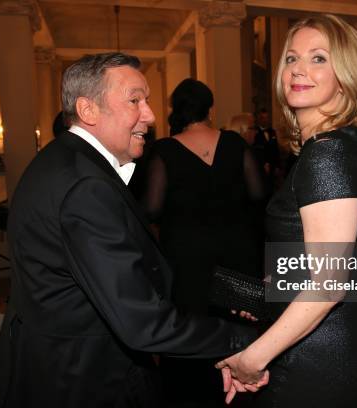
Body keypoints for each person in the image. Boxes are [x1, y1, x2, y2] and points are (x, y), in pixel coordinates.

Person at [0, 53, 262, 408]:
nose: (150, 115)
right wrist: (243, 341)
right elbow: (142, 321)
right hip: (84, 380)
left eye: (146, 101)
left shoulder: (64, 161)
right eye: (135, 101)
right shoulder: (85, 185)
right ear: (88, 110)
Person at [216, 14, 357, 407]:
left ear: (347, 74)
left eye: (318, 58)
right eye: (292, 58)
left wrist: (252, 358)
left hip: (324, 355)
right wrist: (277, 288)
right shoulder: (341, 144)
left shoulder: (328, 152)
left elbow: (329, 283)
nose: (299, 69)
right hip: (337, 342)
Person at [139, 78, 265, 406]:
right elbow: (258, 194)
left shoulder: (164, 150)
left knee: (189, 340)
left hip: (187, 261)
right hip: (237, 257)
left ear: (176, 110)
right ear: (210, 108)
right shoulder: (235, 144)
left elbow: (151, 208)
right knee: (241, 335)